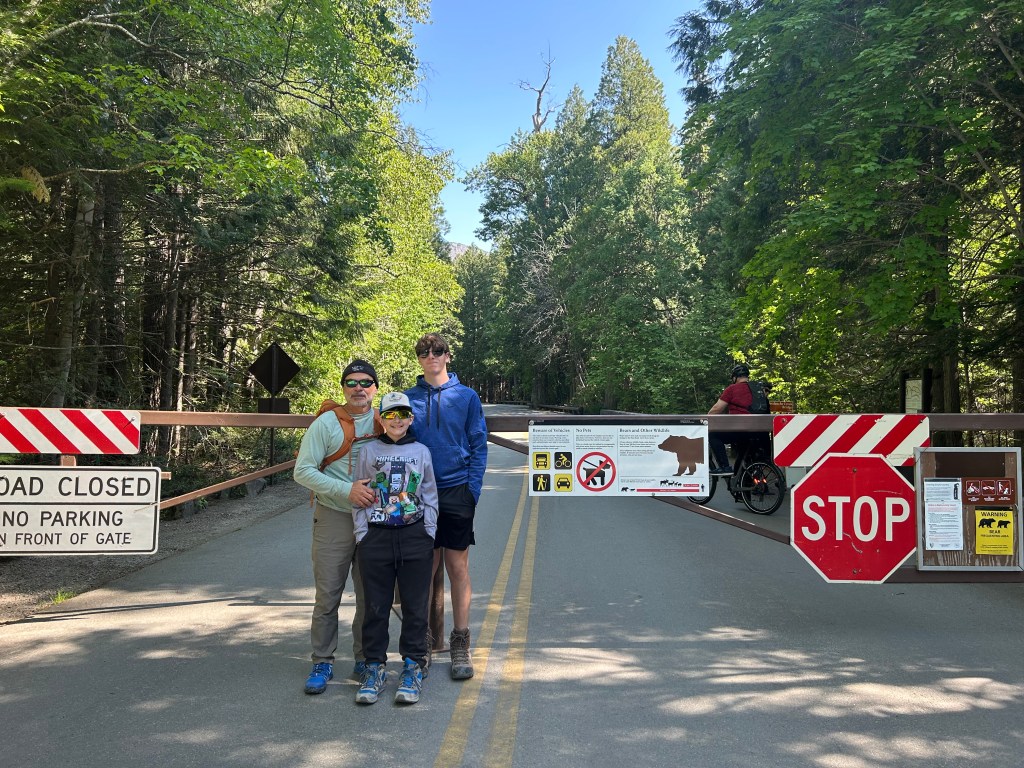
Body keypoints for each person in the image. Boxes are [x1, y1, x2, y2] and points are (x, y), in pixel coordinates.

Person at [293, 359, 381, 695]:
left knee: (370, 596)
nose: (359, 388)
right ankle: (322, 660)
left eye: (366, 382)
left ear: (375, 388)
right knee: (328, 594)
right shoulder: (326, 424)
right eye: (352, 382)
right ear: (343, 387)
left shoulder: (385, 420)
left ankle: (365, 658)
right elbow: (303, 471)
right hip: (334, 516)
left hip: (374, 520)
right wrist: (347, 490)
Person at [405, 332, 487, 680]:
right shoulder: (407, 398)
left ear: (447, 356)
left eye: (437, 350)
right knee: (424, 569)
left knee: (457, 568)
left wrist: (472, 492)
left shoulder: (466, 396)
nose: (431, 356)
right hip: (419, 494)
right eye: (424, 351)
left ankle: (460, 642)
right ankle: (421, 642)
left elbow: (478, 444)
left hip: (456, 491)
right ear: (419, 358)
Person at [352, 391, 439, 705]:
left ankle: (413, 666)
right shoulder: (369, 451)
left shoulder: (421, 452)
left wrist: (428, 531)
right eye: (390, 414)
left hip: (414, 536)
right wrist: (362, 534)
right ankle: (374, 668)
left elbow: (429, 492)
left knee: (415, 605)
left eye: (403, 414)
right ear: (382, 419)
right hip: (376, 536)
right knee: (376, 606)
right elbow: (359, 492)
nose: (397, 420)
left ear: (410, 419)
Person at [707, 363, 757, 476]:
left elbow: (717, 409)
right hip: (759, 431)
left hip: (740, 430)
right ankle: (742, 481)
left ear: (735, 377)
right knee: (742, 455)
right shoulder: (757, 389)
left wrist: (705, 419)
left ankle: (724, 467)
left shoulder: (732, 389)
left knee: (713, 436)